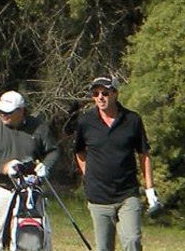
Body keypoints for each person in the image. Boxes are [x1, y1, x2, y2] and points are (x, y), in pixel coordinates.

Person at [74, 76, 157, 251]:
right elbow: (80, 152)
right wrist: (88, 176)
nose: (100, 97)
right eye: (95, 94)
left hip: (127, 194)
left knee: (132, 240)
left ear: (115, 93)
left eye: (105, 92)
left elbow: (144, 154)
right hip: (98, 197)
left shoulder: (132, 120)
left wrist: (149, 189)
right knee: (104, 247)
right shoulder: (86, 121)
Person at [0, 90, 60, 251]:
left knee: (37, 238)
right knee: (0, 242)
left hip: (30, 190)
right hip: (0, 189)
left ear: (21, 110)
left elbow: (52, 151)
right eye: (0, 111)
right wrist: (3, 168)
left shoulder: (38, 127)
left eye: (8, 112)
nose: (3, 114)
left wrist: (45, 166)